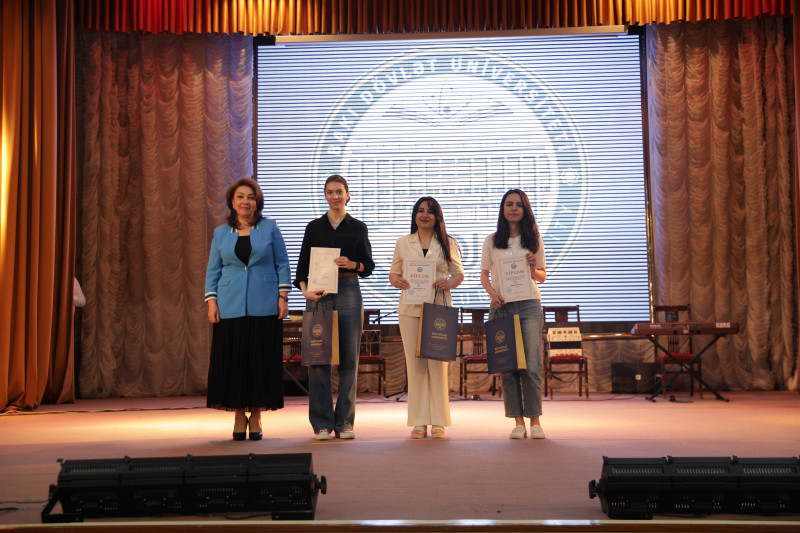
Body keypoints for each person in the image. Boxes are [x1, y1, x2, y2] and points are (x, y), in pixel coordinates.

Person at [204, 178, 291, 440]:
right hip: (229, 305)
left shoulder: (270, 228)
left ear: (257, 202)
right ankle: (239, 414)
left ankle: (257, 413)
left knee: (260, 363)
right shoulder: (221, 233)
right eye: (240, 197)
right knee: (235, 363)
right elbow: (213, 270)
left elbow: (282, 263)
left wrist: (283, 296)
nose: (246, 201)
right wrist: (211, 301)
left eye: (250, 197)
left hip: (264, 304)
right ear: (232, 202)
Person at [294, 175, 374, 440]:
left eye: (339, 191)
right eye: (330, 192)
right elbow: (302, 267)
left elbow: (368, 266)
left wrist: (353, 264)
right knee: (318, 358)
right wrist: (306, 291)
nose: (335, 196)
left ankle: (345, 423)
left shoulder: (358, 227)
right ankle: (322, 424)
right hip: (319, 295)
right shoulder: (314, 227)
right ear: (325, 196)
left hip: (349, 291)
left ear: (348, 195)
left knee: (349, 359)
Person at [389, 197, 464, 439]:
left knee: (437, 365)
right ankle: (419, 422)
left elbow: (458, 275)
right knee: (416, 366)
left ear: (437, 217)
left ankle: (439, 421)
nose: (425, 215)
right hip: (409, 310)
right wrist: (397, 281)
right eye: (420, 211)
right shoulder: (402, 243)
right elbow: (393, 273)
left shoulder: (448, 243)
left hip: (438, 309)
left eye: (430, 212)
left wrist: (447, 282)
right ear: (414, 216)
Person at [480, 189, 547, 439]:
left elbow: (542, 276)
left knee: (531, 366)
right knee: (508, 367)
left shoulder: (534, 239)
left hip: (529, 305)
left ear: (525, 209)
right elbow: (484, 275)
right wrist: (491, 294)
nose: (513, 208)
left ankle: (536, 421)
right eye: (509, 204)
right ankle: (518, 422)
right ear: (503, 208)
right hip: (502, 307)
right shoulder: (492, 240)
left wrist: (532, 268)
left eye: (519, 205)